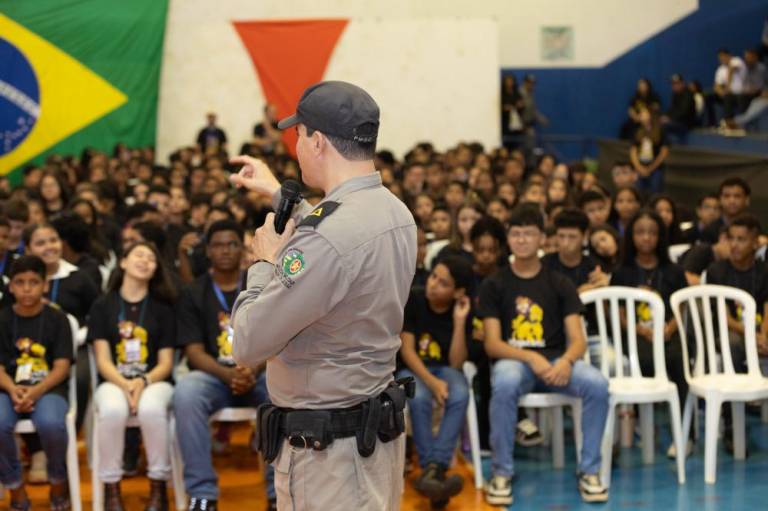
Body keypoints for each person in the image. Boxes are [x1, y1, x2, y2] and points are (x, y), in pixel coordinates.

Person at [228, 80, 417, 511]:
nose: (295, 146)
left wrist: (263, 263)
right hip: (373, 438)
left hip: (329, 457)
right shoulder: (395, 212)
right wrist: (278, 192)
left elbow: (247, 343)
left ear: (315, 141)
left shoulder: (327, 240)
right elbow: (336, 232)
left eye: (297, 135)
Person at [478, 205, 609, 506]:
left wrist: (565, 361)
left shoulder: (559, 283)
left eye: (529, 234)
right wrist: (530, 357)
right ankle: (501, 472)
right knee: (505, 381)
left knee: (597, 383)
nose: (522, 240)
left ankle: (589, 471)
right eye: (516, 234)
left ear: (542, 240)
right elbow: (493, 345)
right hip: (517, 363)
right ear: (508, 239)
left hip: (556, 364)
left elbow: (578, 341)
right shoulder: (494, 284)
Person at [173, 220, 275, 510]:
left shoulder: (260, 284)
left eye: (232, 244)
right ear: (207, 251)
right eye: (218, 244)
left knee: (283, 391)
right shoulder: (194, 292)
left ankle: (276, 494)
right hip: (214, 376)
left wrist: (252, 369)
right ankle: (202, 493)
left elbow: (276, 338)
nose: (226, 250)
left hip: (259, 371)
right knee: (186, 393)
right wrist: (229, 374)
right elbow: (193, 352)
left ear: (242, 249)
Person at [88, 242, 176, 511]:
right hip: (114, 381)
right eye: (139, 255)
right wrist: (125, 383)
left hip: (155, 381)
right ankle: (111, 488)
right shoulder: (103, 305)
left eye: (152, 258)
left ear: (156, 270)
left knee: (151, 408)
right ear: (123, 262)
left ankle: (158, 486)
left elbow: (166, 363)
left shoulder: (163, 308)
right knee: (113, 409)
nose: (145, 260)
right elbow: (102, 359)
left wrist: (142, 382)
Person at [610, 210, 691, 457]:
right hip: (636, 334)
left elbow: (682, 306)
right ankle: (641, 425)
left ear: (661, 237)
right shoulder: (622, 271)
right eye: (640, 232)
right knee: (643, 360)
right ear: (631, 236)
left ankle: (685, 435)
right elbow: (618, 311)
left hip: (667, 331)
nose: (646, 238)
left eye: (652, 233)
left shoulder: (674, 271)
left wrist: (669, 328)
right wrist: (640, 330)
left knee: (678, 361)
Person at [0, 255, 74, 511]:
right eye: (20, 282)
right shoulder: (3, 319)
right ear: (11, 287)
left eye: (34, 282)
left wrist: (35, 390)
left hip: (49, 388)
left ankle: (58, 482)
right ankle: (15, 488)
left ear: (45, 285)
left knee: (51, 423)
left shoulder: (58, 319)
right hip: (8, 388)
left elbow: (62, 367)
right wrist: (12, 388)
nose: (27, 288)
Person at [398, 256, 472, 508]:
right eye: (433, 277)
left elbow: (456, 362)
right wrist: (432, 383)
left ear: (458, 291)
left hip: (445, 369)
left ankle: (432, 470)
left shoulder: (461, 309)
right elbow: (407, 351)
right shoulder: (415, 299)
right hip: (412, 368)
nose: (433, 285)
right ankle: (436, 469)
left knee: (460, 392)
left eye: (443, 283)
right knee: (417, 396)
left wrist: (460, 321)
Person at [629, 107, 669, 194]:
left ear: (651, 115)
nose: (641, 116)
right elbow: (633, 150)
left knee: (655, 192)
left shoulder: (660, 131)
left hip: (656, 169)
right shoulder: (637, 130)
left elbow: (664, 152)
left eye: (644, 113)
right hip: (640, 168)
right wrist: (639, 167)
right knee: (638, 192)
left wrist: (651, 168)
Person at [701, 177, 751, 243]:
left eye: (737, 196)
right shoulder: (710, 231)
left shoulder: (753, 228)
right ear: (720, 200)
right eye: (726, 196)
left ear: (747, 200)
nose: (732, 201)